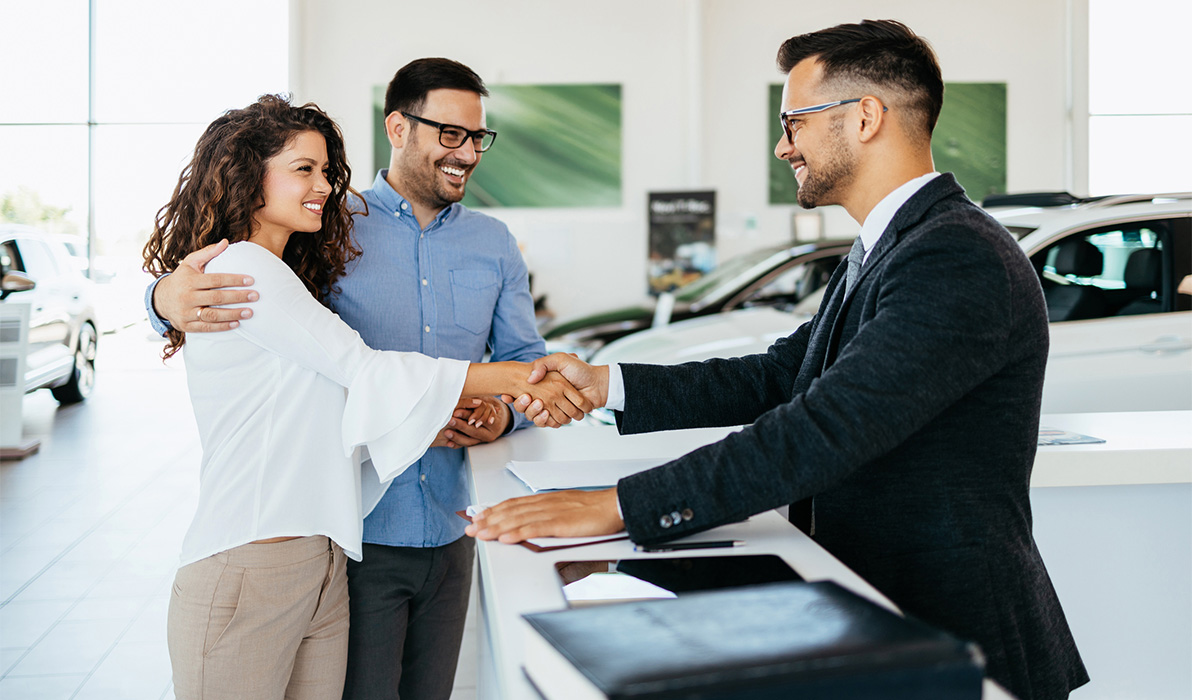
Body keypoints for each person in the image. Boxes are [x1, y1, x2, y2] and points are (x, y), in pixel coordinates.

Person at [467, 20, 1088, 700]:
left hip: (957, 633)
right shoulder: (886, 248)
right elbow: (778, 376)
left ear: (865, 118)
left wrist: (620, 506)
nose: (780, 144)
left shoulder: (955, 256)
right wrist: (605, 384)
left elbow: (829, 425)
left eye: (793, 122)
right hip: (880, 615)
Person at [145, 95, 588, 699]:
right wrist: (513, 378)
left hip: (325, 553)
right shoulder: (246, 267)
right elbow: (366, 369)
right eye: (303, 169)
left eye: (326, 171)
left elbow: (336, 407)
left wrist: (475, 413)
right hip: (253, 559)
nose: (322, 186)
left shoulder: (295, 273)